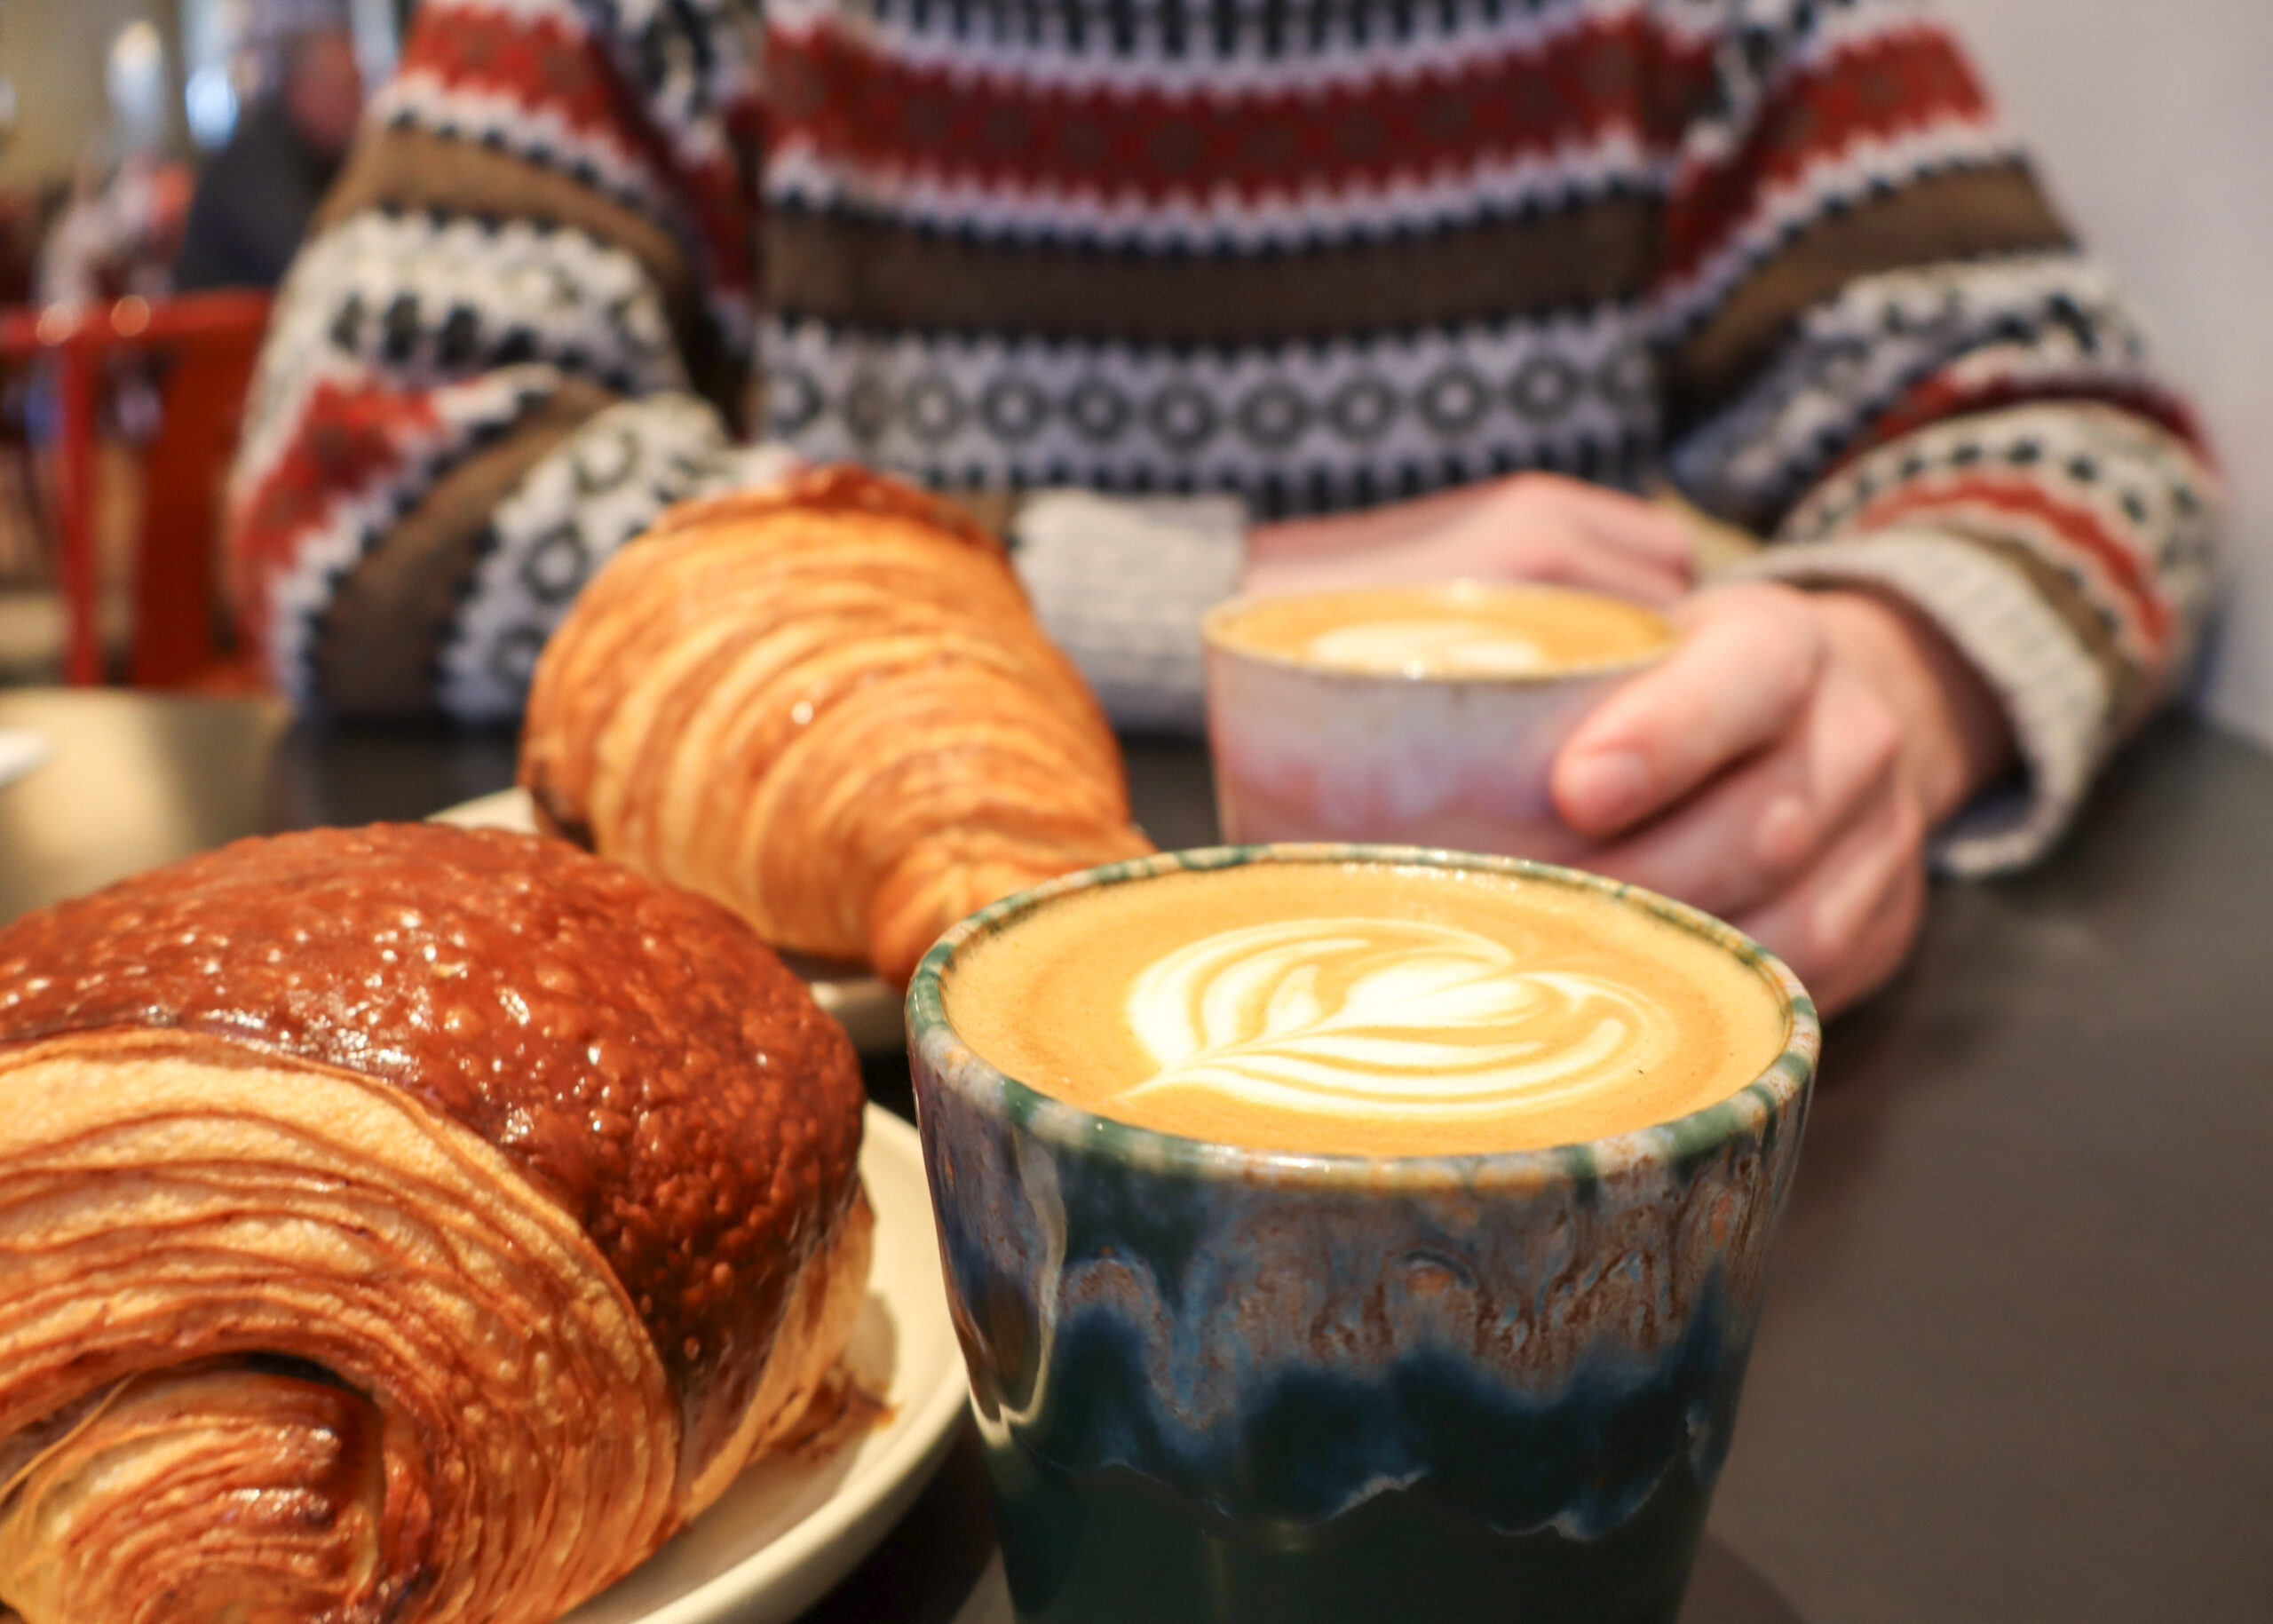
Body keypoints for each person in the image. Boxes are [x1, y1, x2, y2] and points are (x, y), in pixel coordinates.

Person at [226, 0, 2221, 1014]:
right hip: (900, 1143)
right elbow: (360, 475)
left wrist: (1893, 674)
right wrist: (1219, 583)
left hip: (1554, 1120)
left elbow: (2060, 421)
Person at [174, 10, 364, 293]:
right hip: (229, 335)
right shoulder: (251, 163)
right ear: (303, 88)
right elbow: (303, 263)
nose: (360, 105)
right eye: (348, 88)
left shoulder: (322, 157)